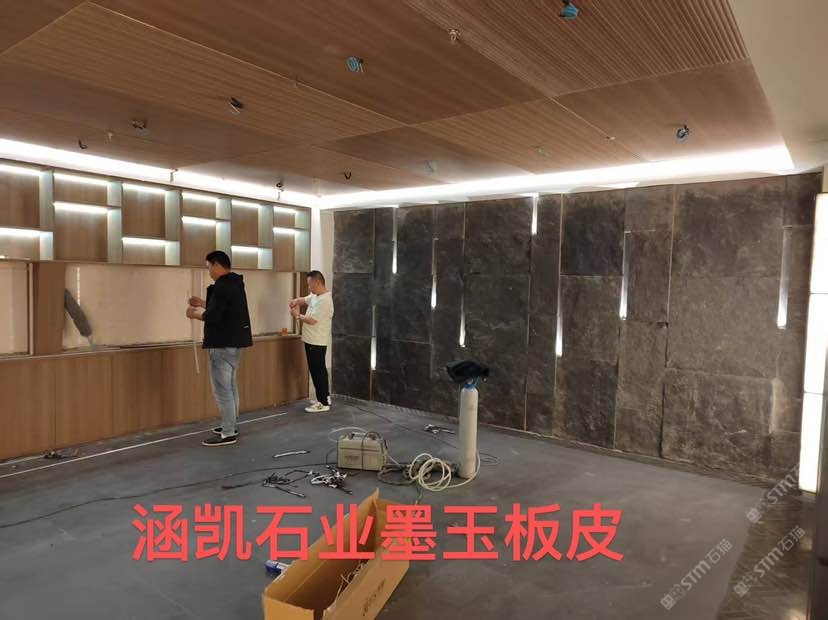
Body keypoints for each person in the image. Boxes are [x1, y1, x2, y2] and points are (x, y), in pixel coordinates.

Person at [187, 250, 253, 446]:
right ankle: (230, 424)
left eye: (209, 267)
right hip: (235, 344)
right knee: (230, 387)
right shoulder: (235, 283)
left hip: (222, 345)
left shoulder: (223, 286)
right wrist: (202, 303)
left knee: (223, 391)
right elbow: (223, 308)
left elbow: (214, 316)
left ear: (217, 265)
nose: (209, 271)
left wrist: (194, 314)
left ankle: (228, 433)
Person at [289, 270, 334, 412]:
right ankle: (325, 397)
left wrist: (297, 315)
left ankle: (322, 403)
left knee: (317, 371)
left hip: (317, 341)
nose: (309, 287)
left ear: (318, 282)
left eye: (310, 284)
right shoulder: (316, 295)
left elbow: (312, 320)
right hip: (311, 340)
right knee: (318, 370)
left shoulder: (325, 300)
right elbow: (305, 299)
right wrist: (296, 301)